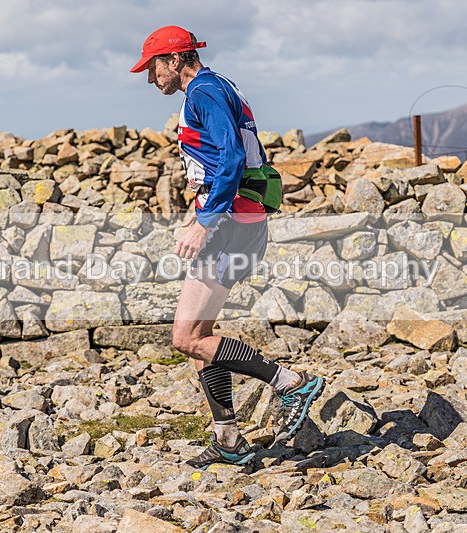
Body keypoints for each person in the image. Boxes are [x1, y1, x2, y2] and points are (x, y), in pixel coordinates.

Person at [130, 26, 325, 470]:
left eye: (153, 66)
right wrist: (197, 211)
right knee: (200, 337)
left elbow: (232, 158)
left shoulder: (202, 92)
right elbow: (219, 161)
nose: (148, 78)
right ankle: (229, 440)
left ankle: (289, 382)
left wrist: (206, 221)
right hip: (241, 219)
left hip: (230, 224)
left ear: (176, 59)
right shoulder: (220, 85)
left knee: (185, 337)